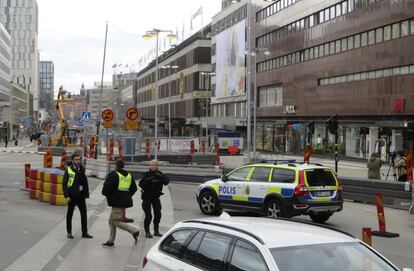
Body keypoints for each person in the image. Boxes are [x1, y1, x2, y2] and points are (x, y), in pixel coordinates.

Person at [101, 160, 140, 247]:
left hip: (116, 202)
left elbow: (107, 188)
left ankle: (135, 231)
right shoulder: (129, 175)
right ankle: (111, 241)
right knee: (111, 220)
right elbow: (134, 188)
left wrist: (110, 195)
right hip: (124, 201)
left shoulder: (114, 175)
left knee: (116, 221)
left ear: (116, 166)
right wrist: (126, 195)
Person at [62, 153, 93, 239]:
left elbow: (84, 182)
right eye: (76, 159)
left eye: (79, 159)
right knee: (70, 214)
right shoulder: (68, 170)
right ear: (72, 161)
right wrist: (66, 196)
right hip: (72, 195)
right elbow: (64, 184)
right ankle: (69, 232)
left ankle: (84, 232)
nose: (78, 161)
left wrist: (85, 194)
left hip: (81, 195)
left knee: (84, 214)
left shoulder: (82, 169)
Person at [139, 159, 169, 238]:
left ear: (157, 166)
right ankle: (147, 232)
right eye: (151, 165)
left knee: (158, 214)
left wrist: (162, 177)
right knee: (148, 215)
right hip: (147, 197)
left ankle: (156, 230)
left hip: (155, 197)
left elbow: (166, 182)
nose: (152, 166)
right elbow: (140, 184)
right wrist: (147, 180)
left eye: (154, 165)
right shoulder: (147, 174)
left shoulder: (159, 174)